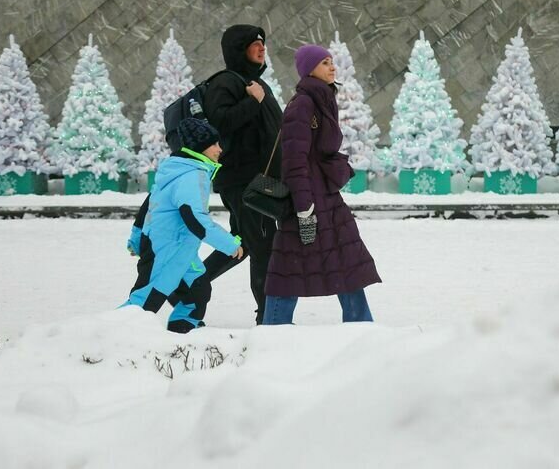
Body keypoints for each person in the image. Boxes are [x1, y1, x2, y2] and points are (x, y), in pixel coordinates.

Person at [127, 24, 282, 325]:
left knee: (247, 242)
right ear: (239, 49)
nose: (262, 48)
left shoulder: (255, 84)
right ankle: (269, 315)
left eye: (264, 42)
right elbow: (219, 125)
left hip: (260, 180)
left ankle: (194, 285)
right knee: (264, 243)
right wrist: (253, 102)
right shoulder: (228, 82)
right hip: (242, 180)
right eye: (255, 43)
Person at [262, 44, 381, 325]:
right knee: (288, 269)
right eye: (325, 62)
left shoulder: (323, 99)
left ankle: (361, 328)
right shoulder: (302, 104)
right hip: (308, 202)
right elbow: (293, 160)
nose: (332, 67)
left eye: (331, 61)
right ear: (309, 69)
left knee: (348, 262)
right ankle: (273, 331)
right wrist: (303, 207)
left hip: (327, 198)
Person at [122, 118, 243, 333]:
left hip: (182, 249)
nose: (219, 149)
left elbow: (149, 203)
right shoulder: (192, 175)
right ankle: (107, 338)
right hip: (167, 249)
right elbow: (195, 219)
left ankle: (181, 335)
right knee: (144, 302)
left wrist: (136, 236)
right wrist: (230, 245)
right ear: (199, 147)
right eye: (214, 144)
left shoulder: (180, 169)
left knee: (198, 291)